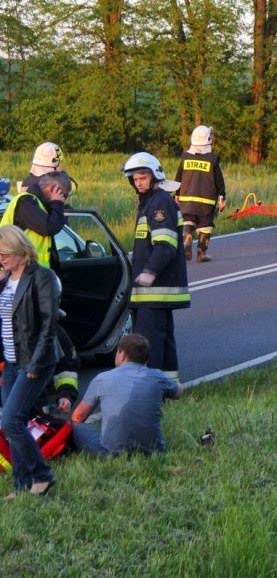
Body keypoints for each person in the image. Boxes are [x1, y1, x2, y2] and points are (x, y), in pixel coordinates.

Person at [0, 225, 63, 498]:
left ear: (20, 251)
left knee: (11, 422)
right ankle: (21, 484)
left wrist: (35, 365)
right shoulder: (5, 280)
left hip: (33, 361)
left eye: (5, 254)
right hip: (10, 362)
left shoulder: (41, 277)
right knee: (14, 424)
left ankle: (42, 476)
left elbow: (49, 325)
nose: (1, 259)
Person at [122, 152, 190, 383]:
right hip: (156, 293)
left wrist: (149, 272)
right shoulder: (151, 202)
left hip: (154, 291)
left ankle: (149, 389)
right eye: (135, 179)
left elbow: (165, 245)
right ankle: (168, 386)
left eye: (142, 177)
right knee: (163, 343)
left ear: (155, 176)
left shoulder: (159, 203)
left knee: (148, 345)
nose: (138, 183)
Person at [71, 333, 182, 455]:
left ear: (122, 355)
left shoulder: (102, 379)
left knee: (76, 426)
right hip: (153, 451)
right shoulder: (157, 376)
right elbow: (177, 393)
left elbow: (78, 416)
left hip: (111, 451)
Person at [175, 125, 227, 263]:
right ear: (207, 140)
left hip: (186, 199)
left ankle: (187, 236)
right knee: (205, 226)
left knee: (187, 220)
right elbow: (219, 181)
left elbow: (179, 176)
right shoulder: (212, 159)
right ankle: (201, 253)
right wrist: (222, 197)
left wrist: (177, 194)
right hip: (206, 201)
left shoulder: (185, 157)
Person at [1, 170, 71, 269]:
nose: (63, 199)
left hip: (31, 270)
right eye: (64, 195)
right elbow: (49, 227)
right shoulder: (25, 202)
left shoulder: (37, 205)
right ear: (53, 189)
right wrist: (57, 203)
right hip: (20, 271)